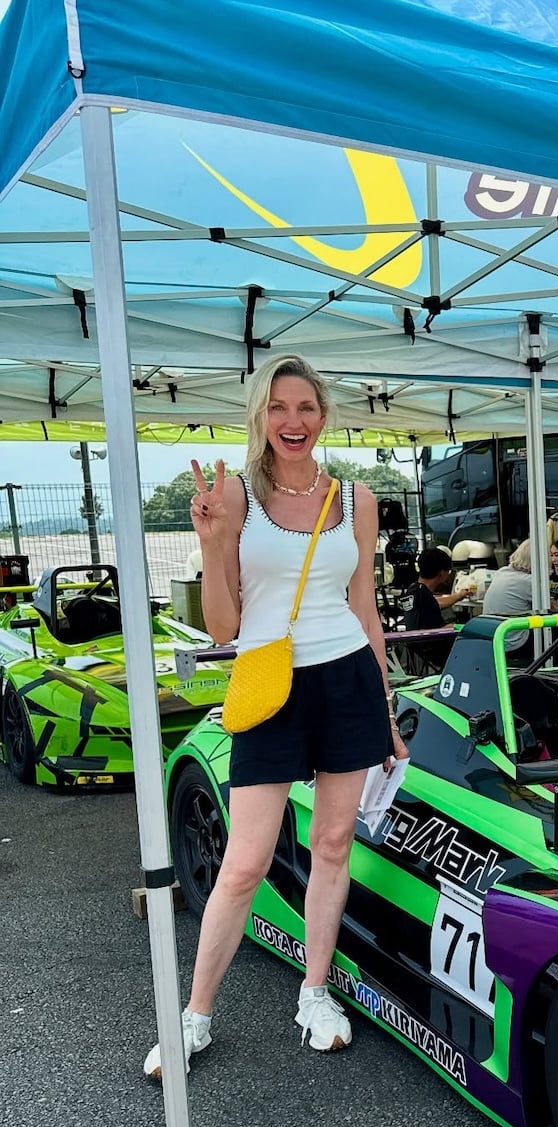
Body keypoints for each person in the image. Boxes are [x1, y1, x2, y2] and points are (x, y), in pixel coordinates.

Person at [144, 354, 405, 1079]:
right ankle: (193, 1017)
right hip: (269, 681)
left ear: (324, 415)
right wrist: (210, 539)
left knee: (330, 845)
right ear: (259, 415)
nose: (294, 422)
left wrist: (385, 709)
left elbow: (365, 608)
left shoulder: (357, 498)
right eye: (279, 408)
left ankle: (314, 993)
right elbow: (225, 627)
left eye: (308, 408)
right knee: (246, 861)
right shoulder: (236, 497)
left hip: (349, 678)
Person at [403, 546, 471, 630]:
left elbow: (435, 603)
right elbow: (439, 629)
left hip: (413, 642)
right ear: (441, 573)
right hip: (429, 642)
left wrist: (458, 596)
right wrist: (465, 627)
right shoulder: (425, 596)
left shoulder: (414, 591)